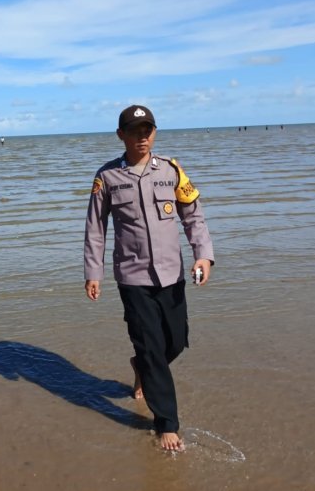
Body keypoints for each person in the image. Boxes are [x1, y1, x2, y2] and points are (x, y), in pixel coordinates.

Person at [83, 105, 214, 452]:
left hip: (172, 273)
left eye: (148, 130)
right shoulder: (107, 177)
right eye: (134, 130)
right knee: (153, 348)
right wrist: (92, 272)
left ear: (154, 132)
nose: (142, 136)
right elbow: (96, 229)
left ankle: (141, 367)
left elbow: (193, 216)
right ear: (121, 135)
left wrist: (203, 254)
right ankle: (166, 423)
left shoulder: (171, 171)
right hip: (133, 276)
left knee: (175, 342)